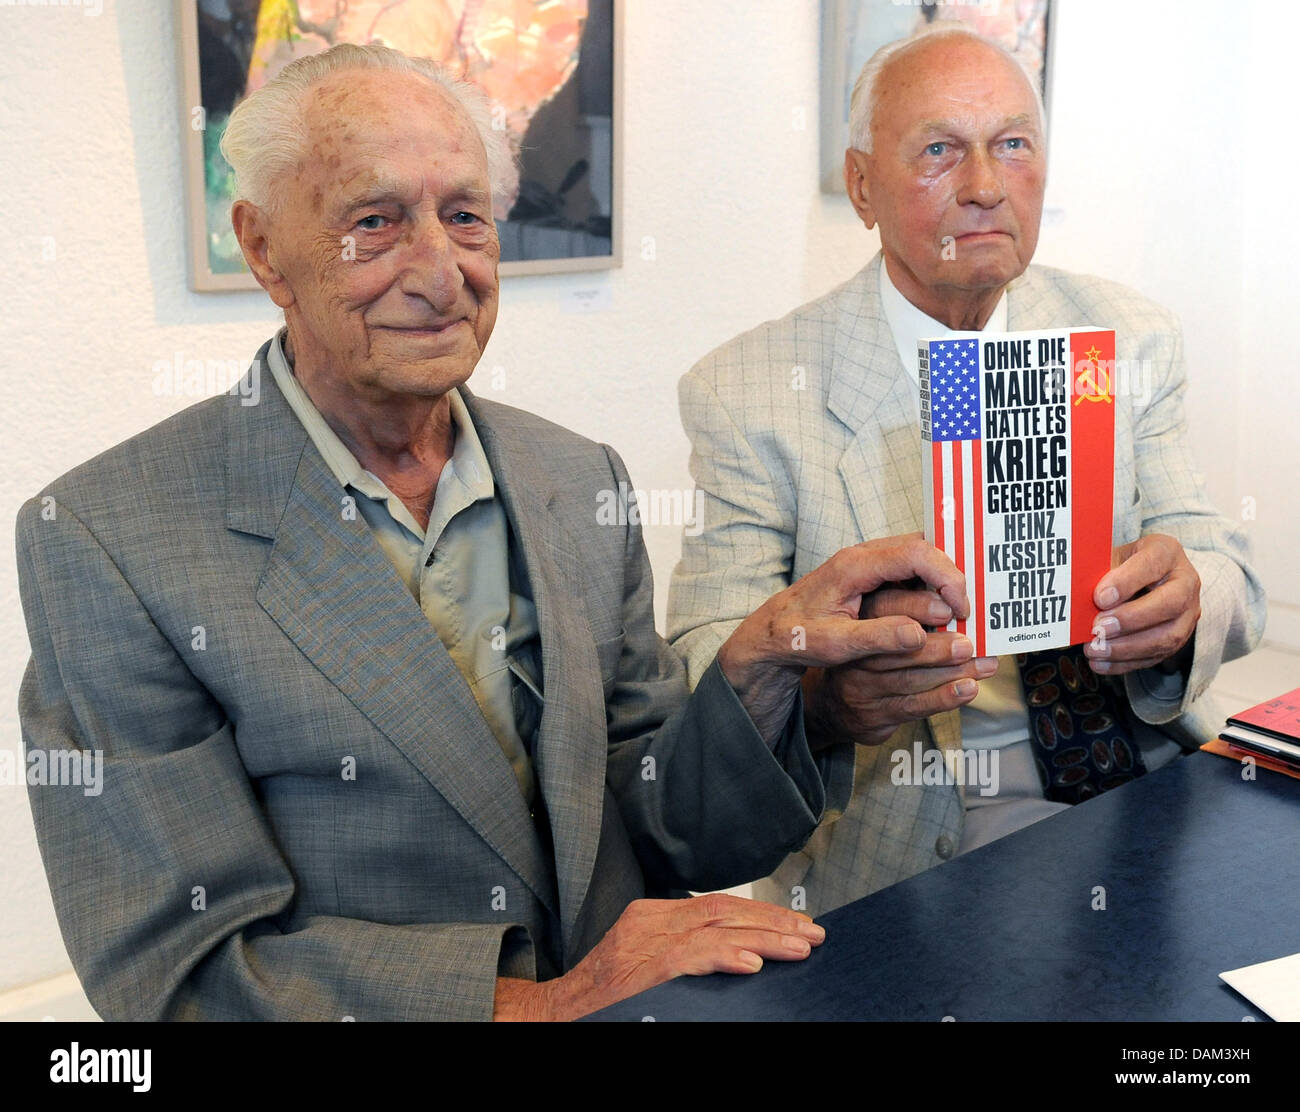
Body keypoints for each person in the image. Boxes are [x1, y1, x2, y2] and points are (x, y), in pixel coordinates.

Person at [14, 43, 970, 1020]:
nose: (440, 272)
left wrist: (788, 696)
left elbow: (656, 825)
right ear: (262, 247)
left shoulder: (574, 477)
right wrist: (550, 1002)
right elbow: (181, 975)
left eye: (465, 216)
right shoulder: (108, 540)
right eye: (375, 220)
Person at [668, 23, 1265, 917]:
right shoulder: (751, 391)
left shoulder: (1127, 335)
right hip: (913, 843)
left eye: (1013, 145)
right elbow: (702, 664)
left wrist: (1185, 604)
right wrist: (827, 696)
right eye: (941, 151)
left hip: (1146, 788)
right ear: (863, 185)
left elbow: (1234, 579)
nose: (986, 187)